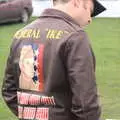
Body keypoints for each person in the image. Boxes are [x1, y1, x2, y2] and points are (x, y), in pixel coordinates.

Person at [2, 0, 106, 120]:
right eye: (89, 11)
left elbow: (9, 91)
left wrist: (33, 114)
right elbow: (85, 103)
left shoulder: (20, 34)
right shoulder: (75, 36)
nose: (90, 19)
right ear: (77, 2)